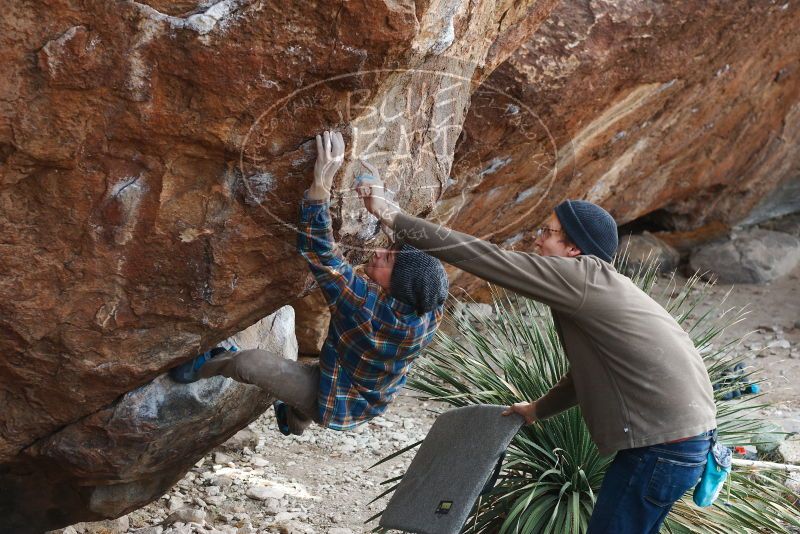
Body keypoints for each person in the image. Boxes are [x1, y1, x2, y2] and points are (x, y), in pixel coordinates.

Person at [357, 171, 717, 533]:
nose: (538, 239)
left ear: (574, 249)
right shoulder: (598, 289)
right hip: (684, 442)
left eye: (548, 232)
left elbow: (483, 258)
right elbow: (589, 375)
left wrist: (394, 217)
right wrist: (538, 409)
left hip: (662, 448)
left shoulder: (579, 278)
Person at [171, 130, 448, 437]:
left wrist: (321, 183)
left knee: (249, 364)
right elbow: (416, 255)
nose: (380, 252)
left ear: (395, 287)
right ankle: (295, 419)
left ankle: (201, 367)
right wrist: (382, 208)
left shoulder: (365, 308)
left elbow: (320, 251)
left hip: (337, 400)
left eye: (388, 260)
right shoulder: (429, 305)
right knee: (302, 398)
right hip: (363, 385)